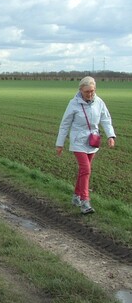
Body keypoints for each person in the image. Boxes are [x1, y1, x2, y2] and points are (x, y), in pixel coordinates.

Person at [56, 76, 116, 215]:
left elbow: (106, 119)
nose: (90, 94)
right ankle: (85, 201)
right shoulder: (73, 104)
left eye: (92, 91)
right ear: (81, 90)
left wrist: (111, 136)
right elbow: (65, 124)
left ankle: (76, 196)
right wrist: (60, 144)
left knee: (84, 171)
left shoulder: (99, 102)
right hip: (78, 141)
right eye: (87, 91)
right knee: (86, 169)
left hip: (92, 141)